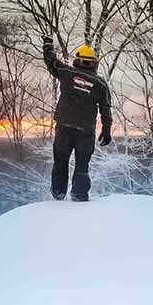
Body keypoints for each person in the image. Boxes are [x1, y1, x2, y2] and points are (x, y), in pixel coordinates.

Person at [42, 37, 113, 202]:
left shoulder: (68, 73)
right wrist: (106, 130)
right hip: (86, 132)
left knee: (60, 161)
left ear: (78, 59)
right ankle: (79, 196)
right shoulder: (100, 84)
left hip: (64, 127)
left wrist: (48, 46)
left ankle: (58, 195)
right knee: (82, 166)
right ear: (94, 63)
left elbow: (52, 62)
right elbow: (106, 109)